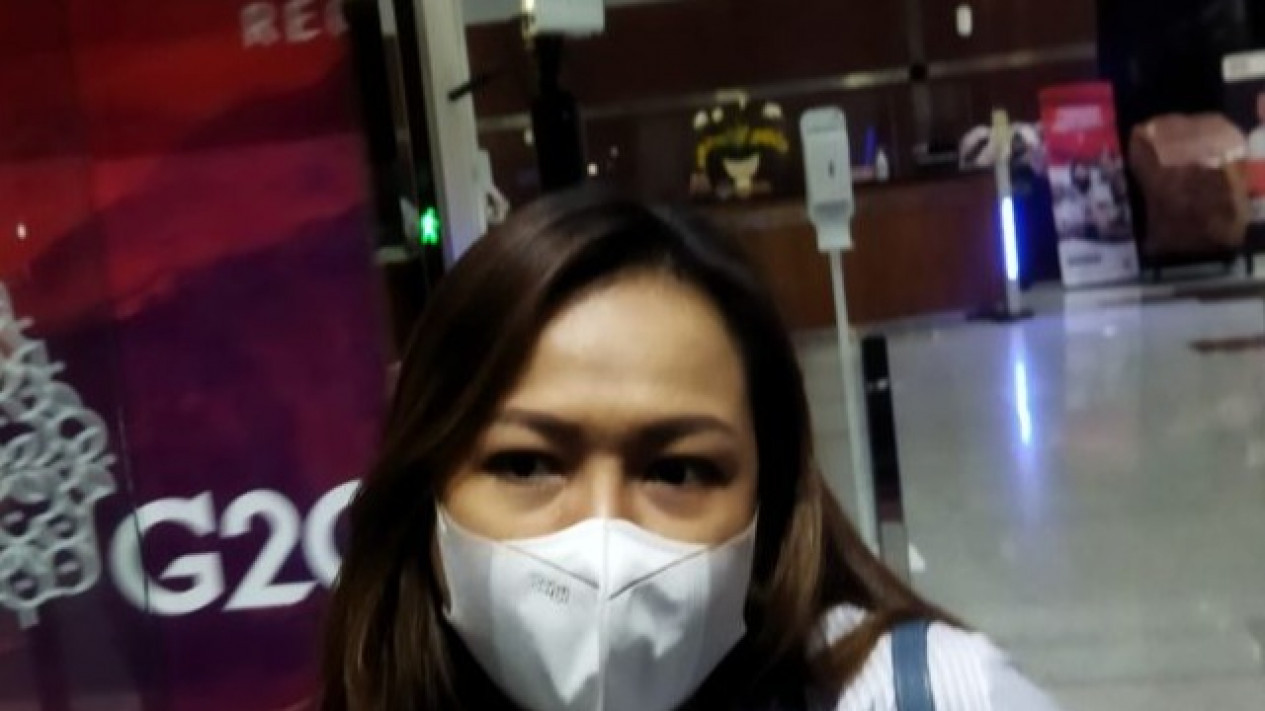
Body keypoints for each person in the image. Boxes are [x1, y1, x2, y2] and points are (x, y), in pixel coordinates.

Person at [320, 189, 1061, 711]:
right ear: (428, 492)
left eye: (677, 471)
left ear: (767, 503)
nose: (602, 540)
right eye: (526, 464)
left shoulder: (933, 696)